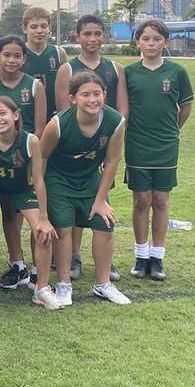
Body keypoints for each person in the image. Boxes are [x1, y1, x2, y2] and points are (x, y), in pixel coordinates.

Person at [39, 71, 129, 307]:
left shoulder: (115, 121)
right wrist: (41, 192)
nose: (92, 100)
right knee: (63, 228)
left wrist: (100, 201)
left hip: (90, 179)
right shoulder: (58, 124)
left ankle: (102, 284)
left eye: (97, 94)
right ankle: (64, 284)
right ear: (73, 98)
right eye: (85, 94)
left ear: (105, 95)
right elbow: (42, 158)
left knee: (105, 223)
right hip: (59, 179)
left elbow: (111, 162)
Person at [54, 14, 128, 284]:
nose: (93, 39)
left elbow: (121, 110)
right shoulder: (67, 69)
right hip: (75, 150)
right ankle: (74, 256)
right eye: (88, 34)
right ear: (77, 36)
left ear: (104, 36)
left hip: (103, 146)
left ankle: (105, 264)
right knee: (71, 208)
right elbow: (64, 111)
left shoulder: (115, 68)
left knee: (101, 204)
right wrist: (83, 145)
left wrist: (104, 148)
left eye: (98, 33)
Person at [124, 19, 194, 281]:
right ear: (138, 42)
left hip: (165, 145)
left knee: (161, 200)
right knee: (141, 201)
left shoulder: (177, 72)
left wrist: (173, 131)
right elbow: (124, 109)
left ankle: (158, 257)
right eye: (146, 39)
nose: (151, 43)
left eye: (156, 39)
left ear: (165, 42)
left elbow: (185, 106)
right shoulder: (129, 73)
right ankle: (141, 257)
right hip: (137, 144)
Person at [0, 96, 55, 308]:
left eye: (2, 113)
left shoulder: (30, 141)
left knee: (42, 233)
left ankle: (42, 289)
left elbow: (38, 179)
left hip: (21, 188)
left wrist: (44, 218)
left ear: (16, 115)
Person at [0, 34, 46, 290]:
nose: (11, 60)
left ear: (24, 59)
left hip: (29, 157)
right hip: (1, 161)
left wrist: (33, 162)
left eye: (17, 55)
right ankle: (17, 265)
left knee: (34, 214)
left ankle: (37, 271)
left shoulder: (34, 86)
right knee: (9, 213)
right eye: (6, 55)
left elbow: (42, 127)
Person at [22, 6, 67, 119]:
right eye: (33, 27)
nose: (39, 31)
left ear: (49, 28)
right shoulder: (19, 53)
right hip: (25, 115)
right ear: (24, 29)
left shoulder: (58, 53)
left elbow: (65, 87)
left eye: (43, 26)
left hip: (53, 113)